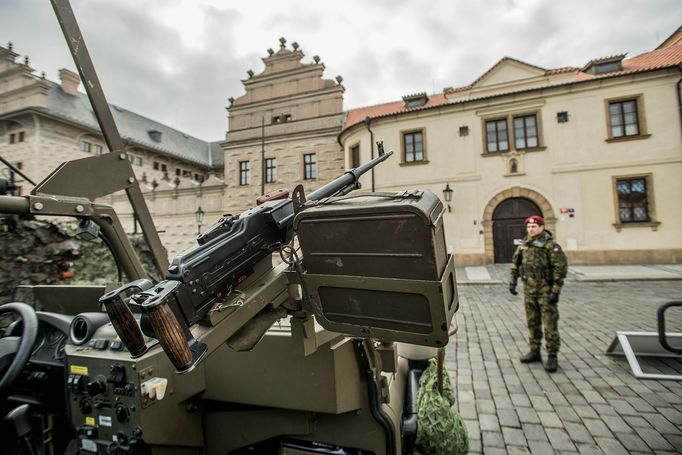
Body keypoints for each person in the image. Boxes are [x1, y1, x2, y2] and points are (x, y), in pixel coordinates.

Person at [509, 215, 567, 372]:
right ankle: (534, 351)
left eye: (534, 226)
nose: (531, 229)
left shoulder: (550, 246)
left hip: (545, 292)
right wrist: (513, 282)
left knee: (549, 325)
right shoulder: (524, 246)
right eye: (528, 227)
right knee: (532, 323)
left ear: (541, 227)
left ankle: (552, 355)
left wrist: (555, 291)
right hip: (529, 291)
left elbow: (559, 269)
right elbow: (515, 264)